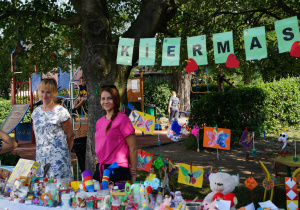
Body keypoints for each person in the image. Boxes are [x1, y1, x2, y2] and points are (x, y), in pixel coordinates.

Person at [31, 78, 74, 180]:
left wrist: (64, 153)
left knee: (61, 191)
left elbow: (70, 135)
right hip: (41, 159)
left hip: (59, 160)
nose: (44, 95)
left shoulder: (61, 112)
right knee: (43, 190)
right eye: (42, 92)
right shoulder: (36, 112)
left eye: (48, 92)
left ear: (54, 92)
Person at [93, 84, 137, 184]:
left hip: (117, 168)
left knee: (115, 199)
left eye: (109, 98)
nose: (106, 101)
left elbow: (133, 148)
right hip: (100, 168)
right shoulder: (99, 122)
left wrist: (133, 173)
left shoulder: (123, 119)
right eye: (103, 99)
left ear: (116, 99)